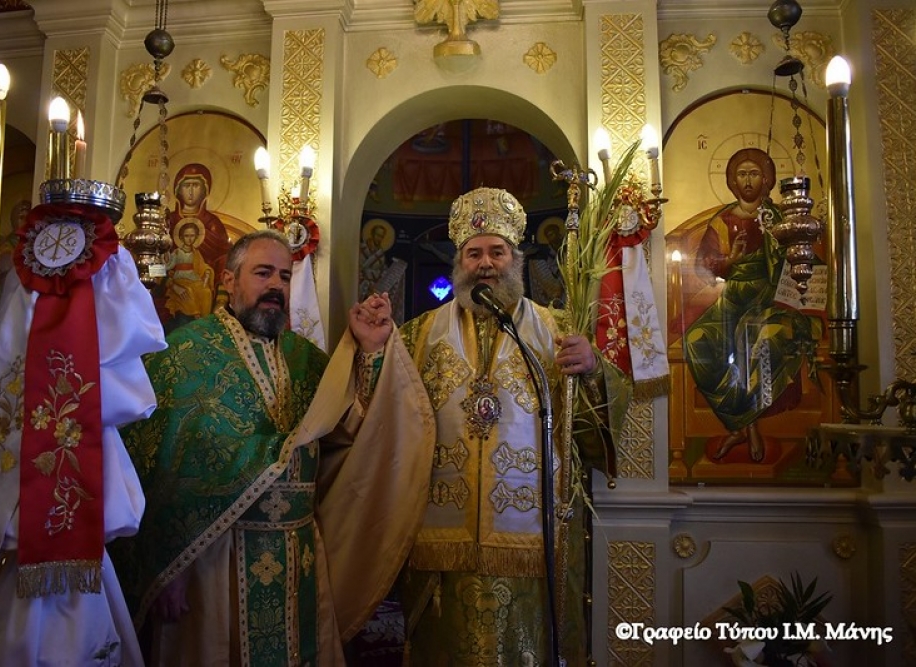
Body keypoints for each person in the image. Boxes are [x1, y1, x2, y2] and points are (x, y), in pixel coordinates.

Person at [115, 229, 434, 666]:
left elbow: (349, 432)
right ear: (228, 280)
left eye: (284, 277)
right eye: (263, 273)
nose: (276, 287)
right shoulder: (183, 354)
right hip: (212, 558)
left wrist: (367, 351)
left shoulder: (305, 358)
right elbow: (155, 469)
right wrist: (166, 568)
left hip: (297, 554)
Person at [397, 187, 629, 666]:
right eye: (474, 252)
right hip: (441, 549)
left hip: (533, 546)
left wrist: (594, 371)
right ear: (459, 262)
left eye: (497, 252)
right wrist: (369, 351)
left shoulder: (559, 331)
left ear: (515, 259)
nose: (486, 263)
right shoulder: (416, 337)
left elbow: (590, 431)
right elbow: (381, 422)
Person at [0, 202, 167, 666]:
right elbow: (8, 379)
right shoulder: (24, 285)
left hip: (79, 537)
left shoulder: (109, 270)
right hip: (20, 531)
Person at [682, 148, 820, 462]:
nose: (747, 180)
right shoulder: (721, 220)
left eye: (754, 173)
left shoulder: (778, 218)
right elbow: (704, 265)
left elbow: (802, 259)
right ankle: (741, 425)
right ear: (732, 180)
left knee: (754, 341)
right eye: (742, 174)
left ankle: (746, 428)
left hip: (770, 297)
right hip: (732, 299)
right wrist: (730, 260)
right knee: (696, 342)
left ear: (767, 179)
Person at [164, 220, 215, 318]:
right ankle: (196, 316)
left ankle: (205, 318)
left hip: (194, 278)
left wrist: (207, 271)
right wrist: (162, 260)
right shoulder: (177, 252)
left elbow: (202, 265)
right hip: (181, 279)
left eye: (192, 236)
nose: (190, 239)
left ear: (196, 237)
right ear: (181, 237)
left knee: (207, 292)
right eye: (187, 236)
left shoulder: (196, 253)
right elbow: (168, 266)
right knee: (188, 291)